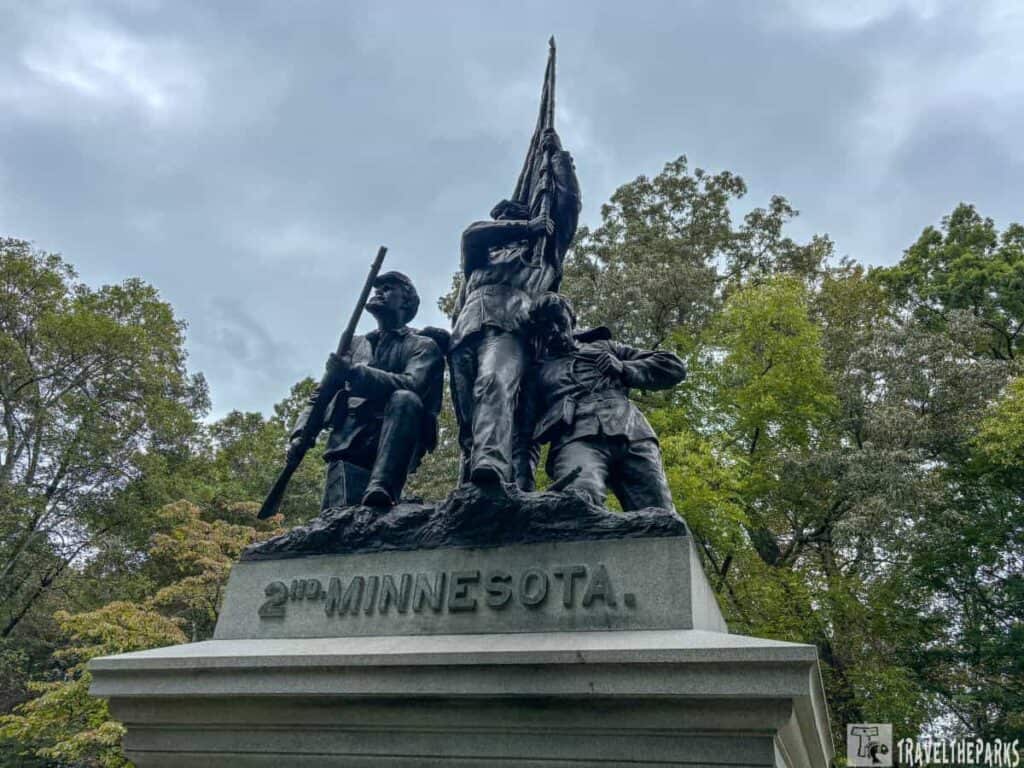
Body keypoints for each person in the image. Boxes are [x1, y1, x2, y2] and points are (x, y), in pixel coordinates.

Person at [449, 129, 581, 487]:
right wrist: (524, 226)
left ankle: (491, 465)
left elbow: (568, 205)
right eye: (500, 221)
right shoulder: (481, 260)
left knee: (493, 384)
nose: (500, 224)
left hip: (513, 327)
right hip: (465, 333)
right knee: (468, 416)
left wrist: (559, 160)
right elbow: (472, 234)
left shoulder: (543, 256)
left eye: (508, 217)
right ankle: (472, 481)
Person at [289, 271, 445, 508]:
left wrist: (354, 373)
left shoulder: (423, 346)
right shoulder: (354, 344)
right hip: (347, 439)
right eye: (376, 289)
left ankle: (381, 489)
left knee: (405, 398)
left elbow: (412, 385)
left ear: (406, 300)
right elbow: (321, 395)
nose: (378, 292)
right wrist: (301, 433)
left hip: (390, 436)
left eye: (388, 288)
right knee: (338, 517)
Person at [522, 292, 686, 511]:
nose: (554, 330)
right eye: (545, 326)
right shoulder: (537, 372)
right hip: (575, 440)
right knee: (578, 500)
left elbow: (673, 366)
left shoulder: (605, 347)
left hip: (632, 434)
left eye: (559, 321)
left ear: (571, 320)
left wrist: (624, 368)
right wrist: (523, 485)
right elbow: (524, 433)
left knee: (659, 512)